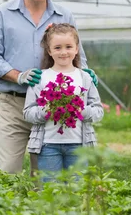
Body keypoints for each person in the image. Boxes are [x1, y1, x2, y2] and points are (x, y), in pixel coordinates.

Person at [0, 0, 98, 174]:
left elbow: (78, 57)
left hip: (53, 106)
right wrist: (19, 76)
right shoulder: (2, 14)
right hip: (13, 104)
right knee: (8, 170)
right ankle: (8, 208)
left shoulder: (64, 16)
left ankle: (41, 209)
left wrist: (86, 75)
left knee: (45, 174)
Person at [23, 23, 103, 181]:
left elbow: (98, 111)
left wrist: (80, 110)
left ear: (76, 48)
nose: (64, 52)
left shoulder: (85, 77)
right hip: (47, 146)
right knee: (51, 192)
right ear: (49, 50)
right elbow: (27, 113)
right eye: (57, 47)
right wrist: (47, 110)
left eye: (68, 46)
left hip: (79, 146)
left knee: (76, 192)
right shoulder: (40, 78)